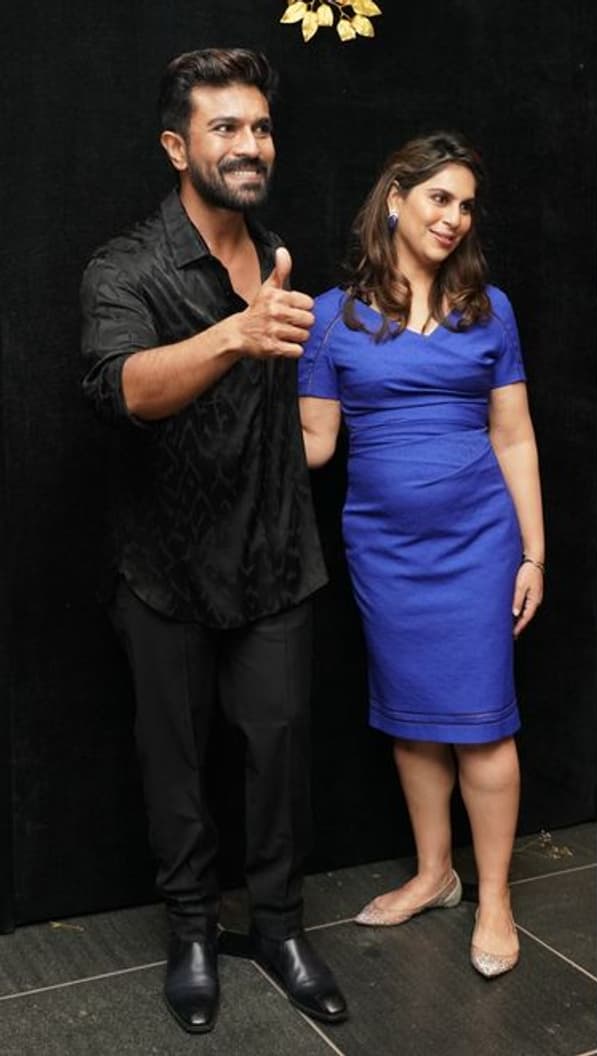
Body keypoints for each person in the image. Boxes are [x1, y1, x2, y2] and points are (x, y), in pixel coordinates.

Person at [79, 49, 347, 1032]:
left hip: (274, 557)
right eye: (225, 127)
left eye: (260, 126)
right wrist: (235, 334)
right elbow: (122, 389)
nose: (249, 144)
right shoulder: (124, 266)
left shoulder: (277, 257)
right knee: (176, 767)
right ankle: (192, 933)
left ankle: (279, 928)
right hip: (165, 566)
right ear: (175, 146)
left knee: (280, 757)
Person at [298, 132, 545, 979]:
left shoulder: (490, 309)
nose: (454, 217)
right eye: (440, 197)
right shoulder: (330, 315)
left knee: (482, 724)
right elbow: (316, 444)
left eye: (466, 205)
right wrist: (234, 387)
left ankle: (496, 898)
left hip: (480, 541)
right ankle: (436, 874)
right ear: (396, 198)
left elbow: (514, 436)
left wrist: (534, 554)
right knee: (410, 718)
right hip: (383, 547)